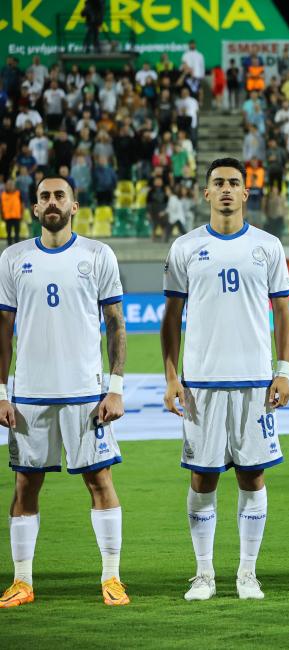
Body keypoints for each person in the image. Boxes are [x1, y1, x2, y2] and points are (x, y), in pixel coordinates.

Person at [161, 158, 289, 601]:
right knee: (203, 478)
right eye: (218, 183)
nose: (226, 189)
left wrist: (283, 372)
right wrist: (172, 377)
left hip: (256, 383)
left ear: (245, 193)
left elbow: (283, 312)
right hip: (201, 385)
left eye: (234, 183)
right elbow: (171, 317)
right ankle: (204, 574)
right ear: (206, 193)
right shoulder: (185, 247)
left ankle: (247, 573)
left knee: (253, 477)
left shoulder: (267, 246)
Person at [0, 175, 128, 608]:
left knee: (100, 480)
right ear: (34, 208)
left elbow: (115, 323)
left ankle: (112, 578)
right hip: (30, 395)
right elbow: (3, 330)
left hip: (86, 394)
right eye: (44, 197)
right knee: (25, 485)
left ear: (74, 206)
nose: (52, 202)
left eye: (60, 195)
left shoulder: (97, 255)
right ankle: (22, 581)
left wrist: (115, 387)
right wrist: (1, 392)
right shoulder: (13, 258)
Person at [1, 179, 22, 246]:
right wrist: (2, 215)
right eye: (8, 185)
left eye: (11, 184)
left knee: (17, 233)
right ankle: (9, 246)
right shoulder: (3, 195)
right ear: (6, 186)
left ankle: (17, 247)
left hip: (17, 217)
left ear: (14, 186)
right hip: (8, 217)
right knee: (8, 233)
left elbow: (22, 204)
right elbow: (1, 206)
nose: (10, 186)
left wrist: (22, 214)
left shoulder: (18, 193)